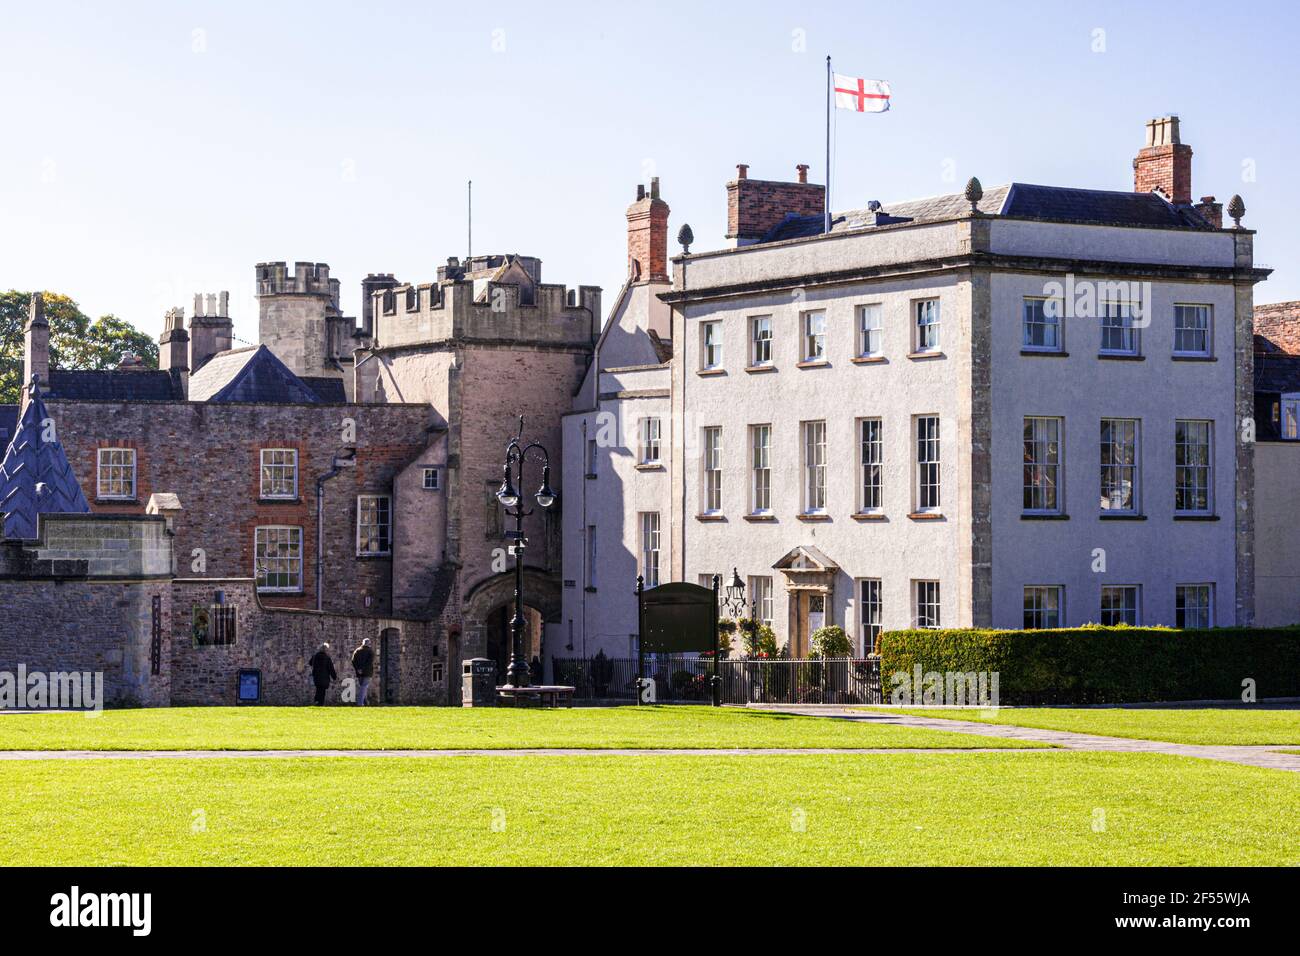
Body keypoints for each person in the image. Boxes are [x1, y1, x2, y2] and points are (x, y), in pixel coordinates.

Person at [351, 638, 375, 706]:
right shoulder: (370, 651)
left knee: (363, 687)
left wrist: (358, 669)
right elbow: (369, 662)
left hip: (359, 672)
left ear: (362, 643)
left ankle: (366, 702)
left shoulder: (357, 651)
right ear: (369, 643)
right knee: (363, 687)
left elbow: (353, 661)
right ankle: (360, 703)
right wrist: (362, 669)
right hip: (367, 672)